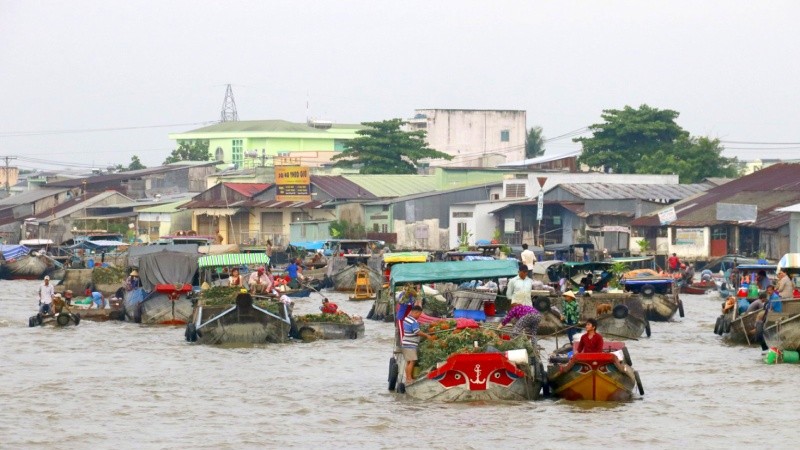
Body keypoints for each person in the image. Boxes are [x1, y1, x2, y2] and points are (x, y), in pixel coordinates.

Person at [402, 305, 434, 383]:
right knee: (412, 361)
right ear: (416, 312)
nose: (419, 317)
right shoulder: (414, 321)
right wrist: (427, 335)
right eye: (419, 315)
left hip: (405, 342)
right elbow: (417, 332)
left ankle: (407, 378)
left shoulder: (406, 319)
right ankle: (409, 378)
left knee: (409, 361)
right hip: (410, 343)